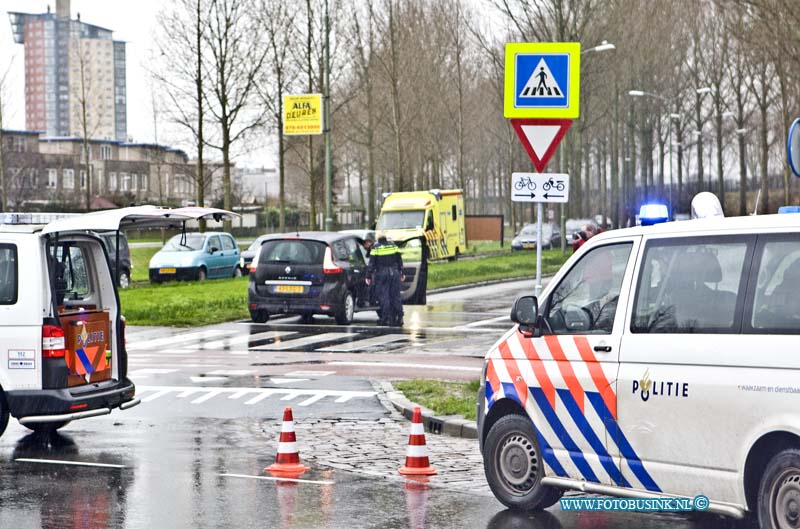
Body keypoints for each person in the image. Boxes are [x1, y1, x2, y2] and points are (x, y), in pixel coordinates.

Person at [366, 232, 405, 326]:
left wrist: (368, 276)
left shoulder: (376, 248)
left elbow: (371, 264)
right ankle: (399, 318)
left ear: (377, 238)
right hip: (394, 273)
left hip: (382, 274)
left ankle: (385, 318)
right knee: (396, 296)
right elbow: (399, 260)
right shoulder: (393, 246)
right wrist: (402, 272)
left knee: (384, 296)